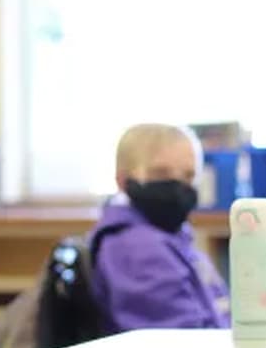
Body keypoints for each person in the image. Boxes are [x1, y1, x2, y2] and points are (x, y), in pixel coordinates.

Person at [90, 123, 231, 332]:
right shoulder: (138, 248)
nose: (177, 186)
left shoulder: (172, 238)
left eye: (189, 176)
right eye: (161, 174)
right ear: (123, 181)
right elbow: (177, 341)